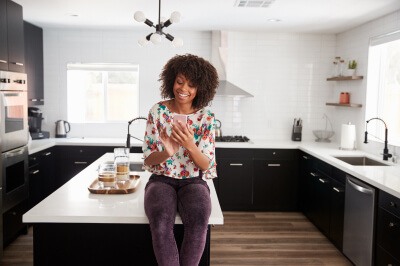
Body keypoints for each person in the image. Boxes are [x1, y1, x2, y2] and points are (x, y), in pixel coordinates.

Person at [142, 53, 219, 266]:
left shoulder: (206, 118)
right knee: (159, 222)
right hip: (161, 179)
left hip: (193, 180)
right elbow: (149, 161)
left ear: (200, 88)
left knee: (199, 222)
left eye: (191, 85)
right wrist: (167, 152)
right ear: (171, 80)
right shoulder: (157, 112)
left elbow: (207, 165)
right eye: (180, 81)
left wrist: (190, 146)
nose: (183, 89)